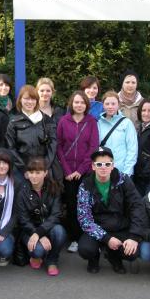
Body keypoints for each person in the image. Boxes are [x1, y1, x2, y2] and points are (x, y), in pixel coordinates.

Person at [77, 147, 145, 274]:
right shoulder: (85, 185)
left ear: (112, 165)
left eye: (107, 164)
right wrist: (106, 238)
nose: (103, 167)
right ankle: (94, 258)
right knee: (86, 249)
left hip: (120, 227)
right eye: (99, 164)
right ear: (93, 166)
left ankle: (114, 257)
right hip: (98, 229)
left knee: (132, 253)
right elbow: (84, 218)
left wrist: (134, 236)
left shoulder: (124, 180)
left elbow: (137, 206)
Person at [56, 90, 99, 253]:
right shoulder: (63, 121)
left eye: (82, 102)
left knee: (86, 205)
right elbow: (58, 146)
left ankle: (87, 236)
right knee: (72, 205)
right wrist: (67, 170)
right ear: (71, 104)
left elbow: (93, 147)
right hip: (67, 173)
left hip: (85, 172)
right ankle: (74, 238)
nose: (79, 105)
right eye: (76, 102)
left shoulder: (91, 122)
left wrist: (80, 170)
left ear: (86, 105)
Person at [17, 157, 66, 276]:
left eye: (38, 172)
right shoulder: (22, 191)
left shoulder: (54, 188)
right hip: (29, 231)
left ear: (45, 173)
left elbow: (56, 215)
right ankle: (35, 256)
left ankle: (52, 260)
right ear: (27, 174)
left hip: (47, 228)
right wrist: (36, 234)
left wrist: (39, 233)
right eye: (31, 172)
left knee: (60, 231)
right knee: (38, 251)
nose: (34, 176)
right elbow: (23, 220)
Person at [6, 85, 58, 181]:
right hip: (22, 172)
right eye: (26, 99)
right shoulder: (14, 122)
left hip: (44, 170)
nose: (30, 102)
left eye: (33, 99)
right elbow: (11, 147)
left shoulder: (46, 120)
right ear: (20, 100)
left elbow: (53, 144)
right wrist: (24, 169)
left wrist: (44, 167)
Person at [96, 90, 137, 176]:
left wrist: (127, 172)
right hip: (104, 171)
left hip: (122, 171)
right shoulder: (98, 123)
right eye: (107, 104)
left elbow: (132, 149)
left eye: (113, 104)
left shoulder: (126, 123)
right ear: (103, 105)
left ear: (118, 104)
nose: (110, 107)